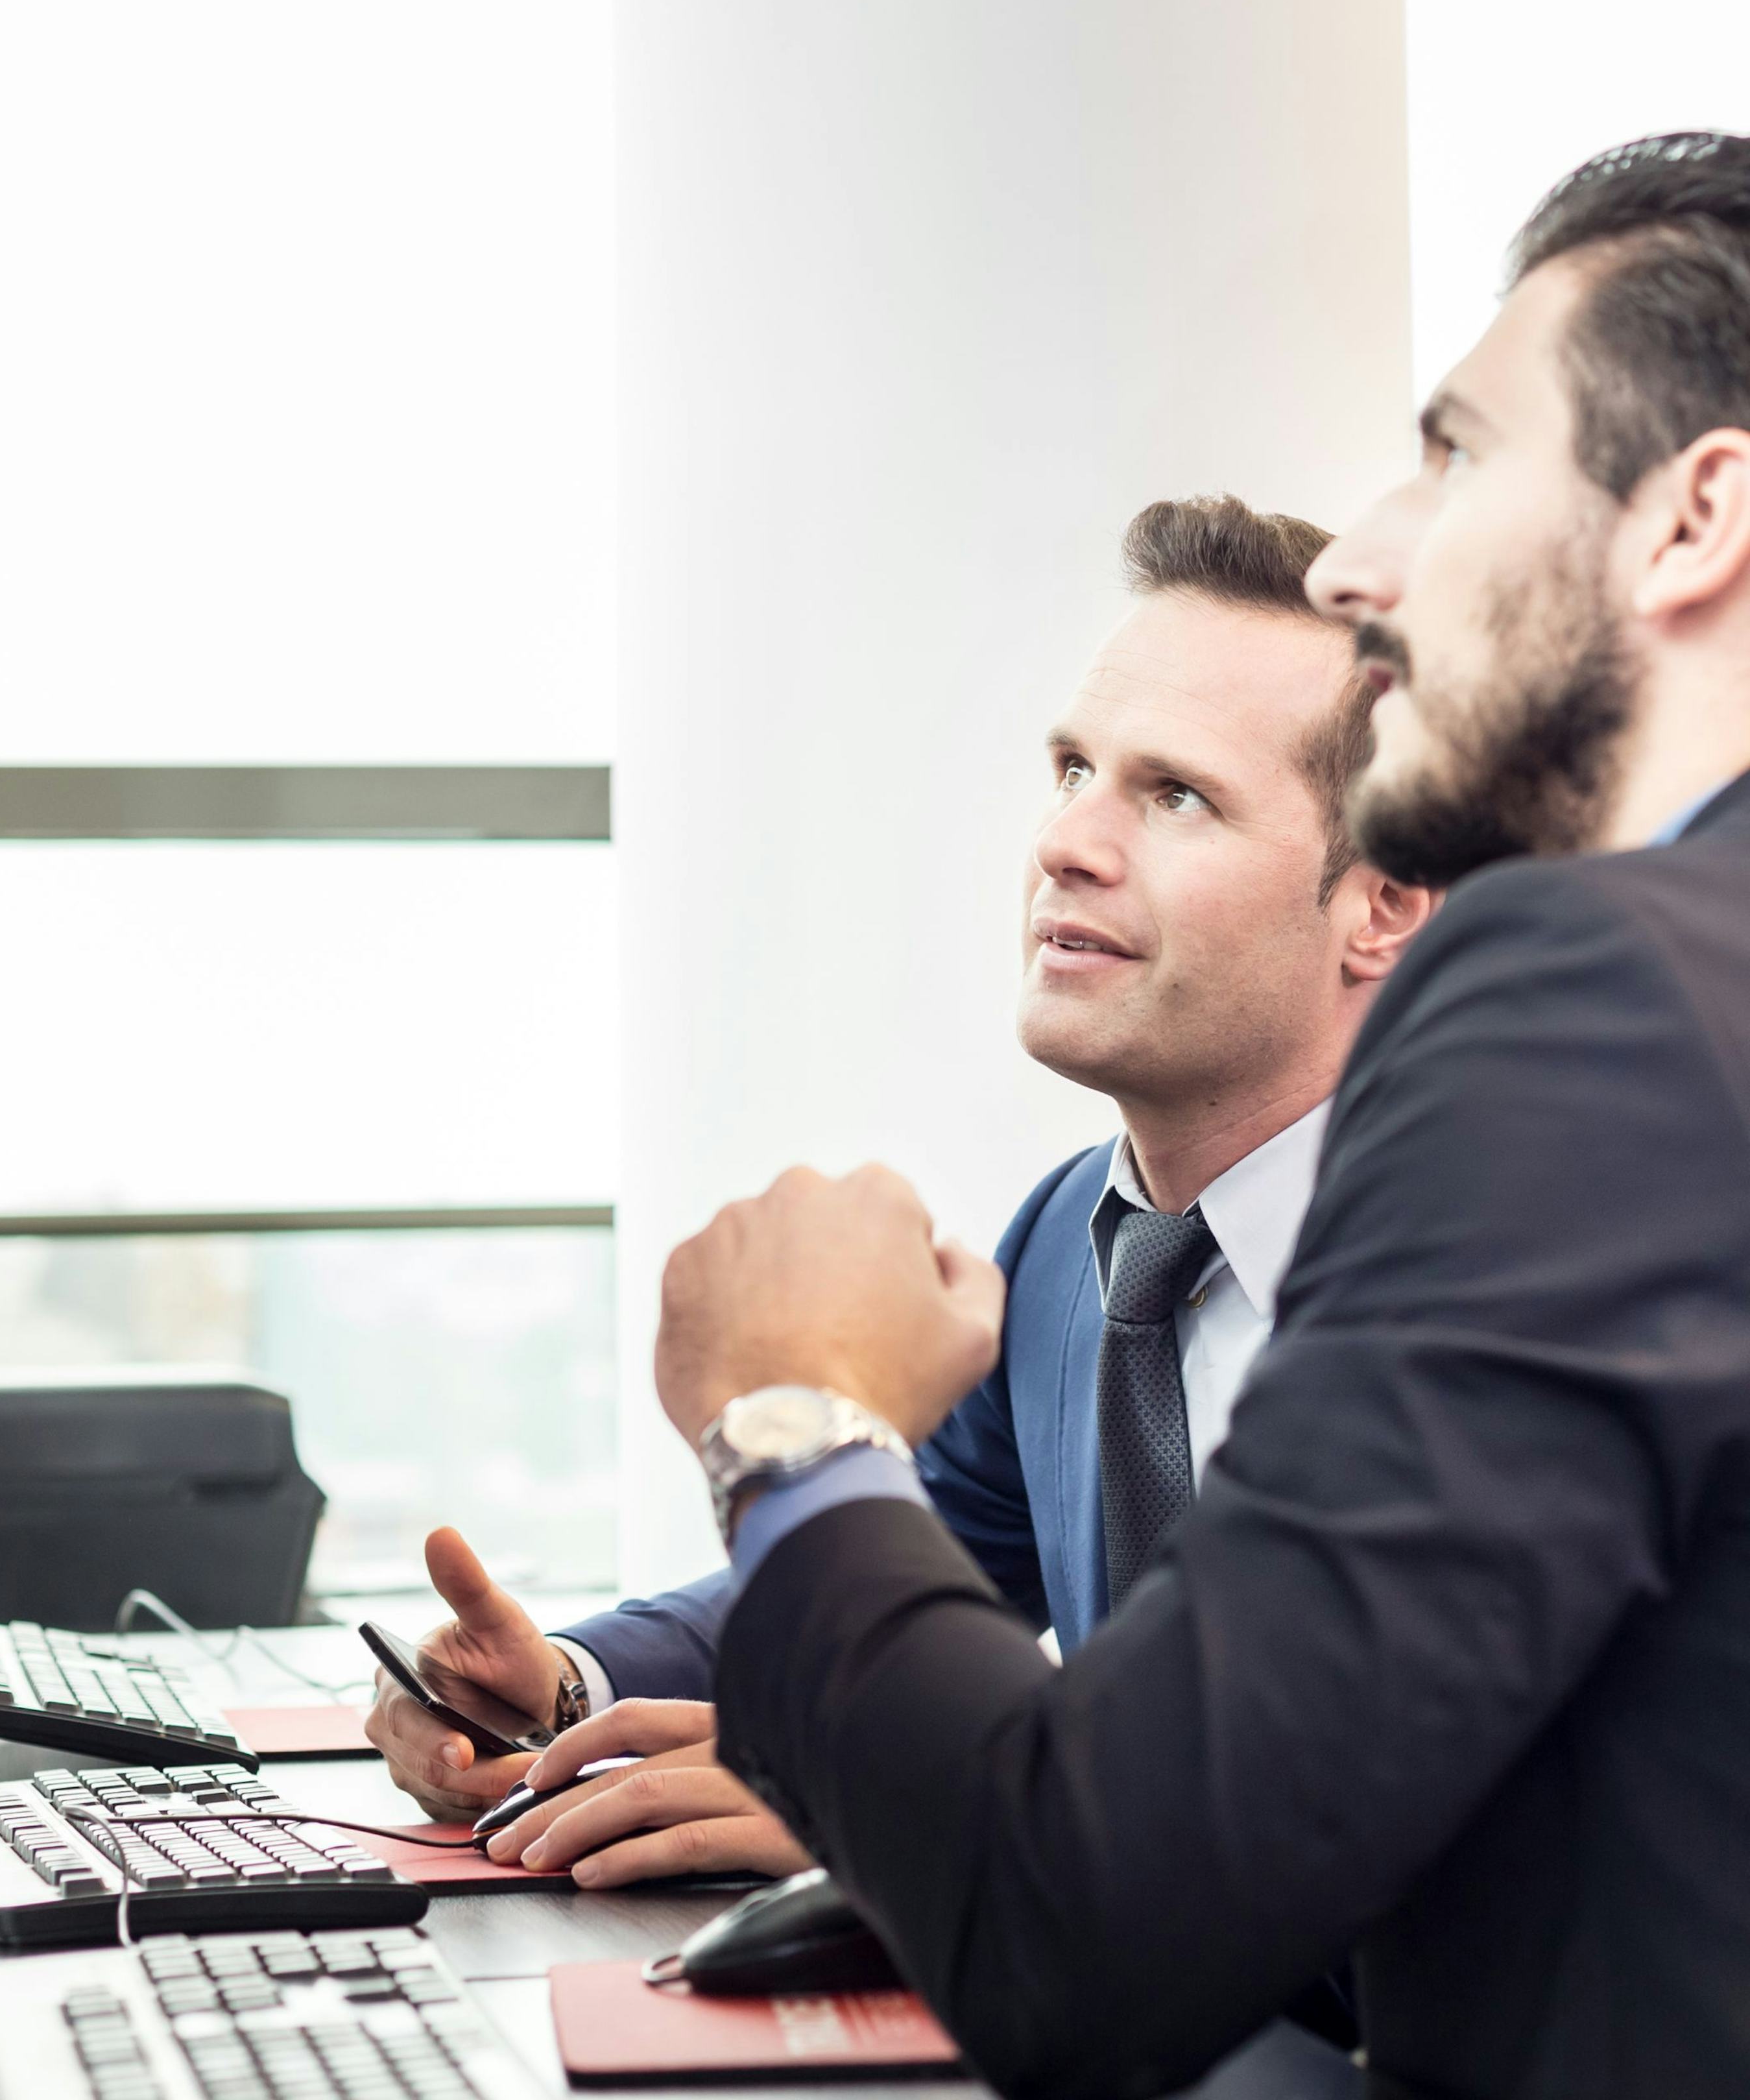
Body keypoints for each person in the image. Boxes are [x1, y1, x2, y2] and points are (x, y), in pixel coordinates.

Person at [656, 133, 1750, 2100]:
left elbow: (1087, 1921)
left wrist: (790, 1420)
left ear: (1694, 521)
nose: (1362, 558)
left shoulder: (1601, 997)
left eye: (1460, 455)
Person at [367, 496, 1433, 1896]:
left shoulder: (1475, 1279)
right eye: (1072, 769)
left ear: (1382, 901)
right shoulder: (1077, 1244)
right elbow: (899, 1566)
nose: (1068, 842)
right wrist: (565, 1685)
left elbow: (1392, 1816)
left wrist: (909, 1817)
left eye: (1174, 795)